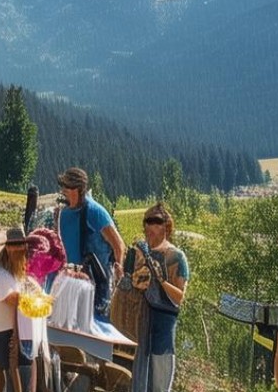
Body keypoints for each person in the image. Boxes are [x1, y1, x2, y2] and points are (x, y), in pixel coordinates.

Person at [122, 202, 189, 392]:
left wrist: (161, 280)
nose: (150, 227)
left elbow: (179, 298)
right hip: (138, 330)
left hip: (162, 333)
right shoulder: (139, 253)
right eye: (147, 221)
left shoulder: (177, 257)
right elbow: (126, 287)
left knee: (159, 386)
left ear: (166, 226)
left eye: (156, 222)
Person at [55, 167, 124, 322]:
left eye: (67, 187)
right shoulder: (64, 213)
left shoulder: (95, 211)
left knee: (96, 323)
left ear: (78, 189)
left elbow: (118, 244)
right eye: (63, 186)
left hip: (97, 282)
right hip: (72, 280)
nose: (63, 191)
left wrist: (119, 268)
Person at [0, 228, 35, 392]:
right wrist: (39, 298)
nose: (18, 249)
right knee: (20, 374)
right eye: (14, 245)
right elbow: (14, 299)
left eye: (21, 245)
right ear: (7, 248)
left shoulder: (8, 272)